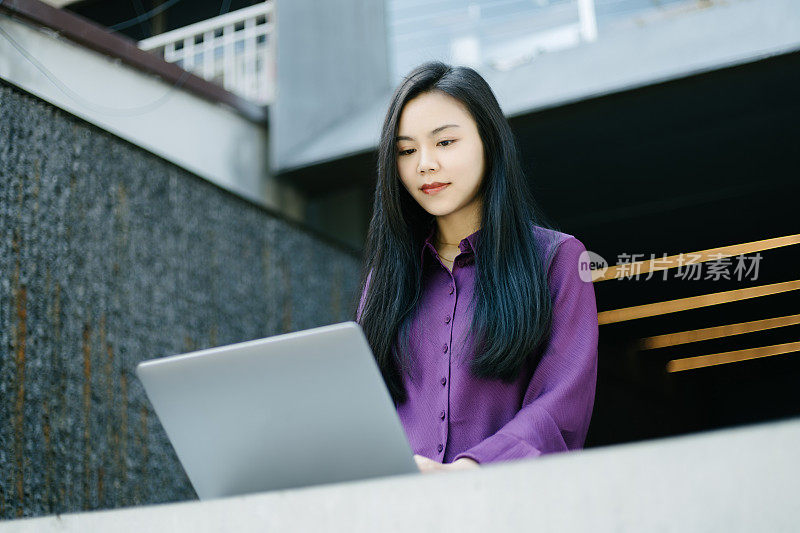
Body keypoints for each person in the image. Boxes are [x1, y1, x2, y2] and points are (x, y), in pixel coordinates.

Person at [355, 61, 598, 474]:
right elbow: (362, 408)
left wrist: (470, 469)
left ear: (489, 141)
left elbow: (562, 405)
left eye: (445, 143)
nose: (424, 165)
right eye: (406, 150)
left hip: (505, 506)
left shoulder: (559, 261)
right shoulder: (387, 279)